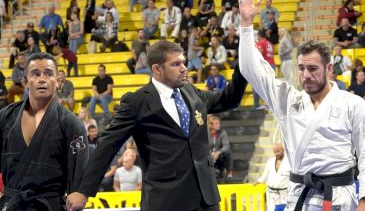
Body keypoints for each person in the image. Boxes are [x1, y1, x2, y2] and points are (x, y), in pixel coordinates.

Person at [238, 0, 365, 210]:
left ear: (329, 68)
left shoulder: (353, 104)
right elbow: (251, 70)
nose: (305, 75)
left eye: (313, 69)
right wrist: (246, 25)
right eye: (301, 68)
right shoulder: (288, 100)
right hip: (299, 197)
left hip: (338, 197)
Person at [66, 40, 248, 211]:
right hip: (165, 201)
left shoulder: (190, 91)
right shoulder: (137, 101)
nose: (184, 69)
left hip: (206, 200)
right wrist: (83, 191)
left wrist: (244, 63)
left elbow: (228, 99)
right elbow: (107, 145)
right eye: (176, 64)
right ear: (157, 69)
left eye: (183, 62)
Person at [0, 52, 89, 210]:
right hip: (12, 204)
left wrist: (80, 192)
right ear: (25, 82)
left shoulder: (71, 123)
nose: (42, 79)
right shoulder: (5, 116)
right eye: (36, 74)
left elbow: (79, 167)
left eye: (49, 74)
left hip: (50, 205)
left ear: (58, 81)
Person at [254, 144, 290, 211]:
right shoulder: (270, 162)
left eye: (278, 151)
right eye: (275, 152)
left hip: (284, 193)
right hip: (271, 193)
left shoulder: (289, 162)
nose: (276, 154)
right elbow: (265, 175)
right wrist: (258, 181)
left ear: (283, 150)